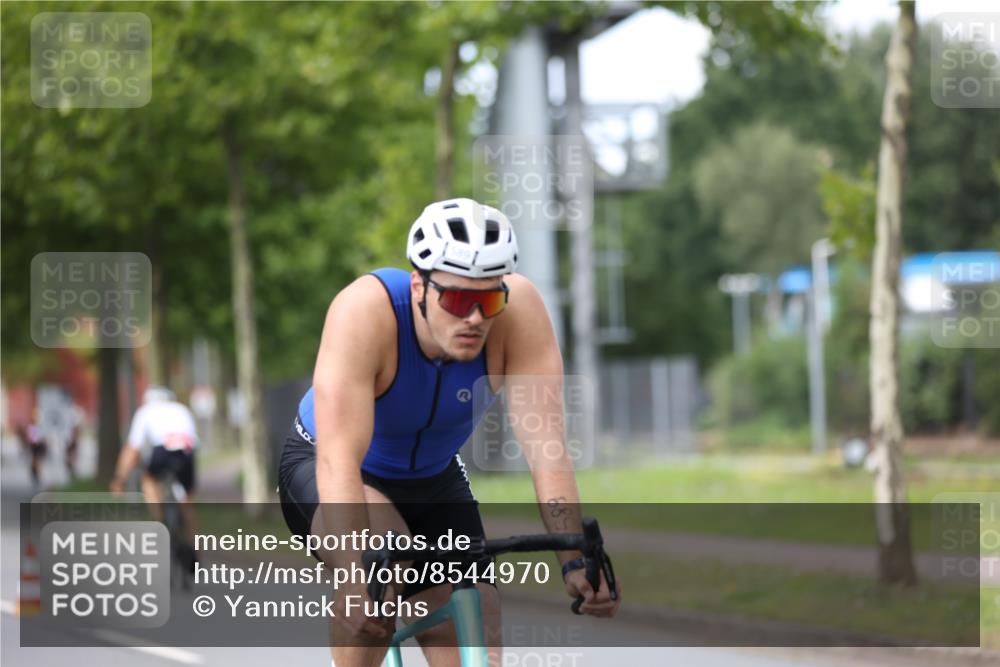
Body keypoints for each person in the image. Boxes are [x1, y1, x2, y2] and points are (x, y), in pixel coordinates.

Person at [278, 198, 620, 667]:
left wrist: (574, 560)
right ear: (419, 284)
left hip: (434, 479)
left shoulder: (520, 317)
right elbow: (338, 461)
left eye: (489, 299)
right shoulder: (365, 312)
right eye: (458, 300)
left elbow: (548, 452)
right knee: (380, 578)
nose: (475, 318)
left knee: (475, 619)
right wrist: (355, 578)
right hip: (335, 468)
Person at [111, 386, 200, 554]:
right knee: (188, 502)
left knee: (149, 480)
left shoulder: (145, 412)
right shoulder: (181, 409)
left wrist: (120, 479)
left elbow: (132, 449)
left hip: (163, 449)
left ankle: (160, 522)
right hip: (187, 450)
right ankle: (195, 549)